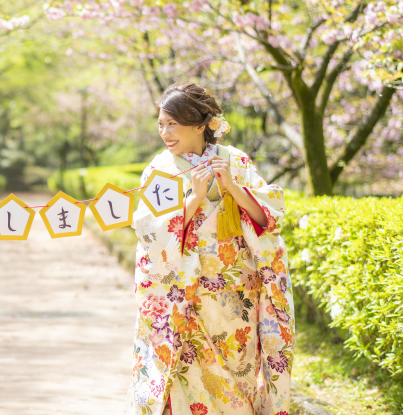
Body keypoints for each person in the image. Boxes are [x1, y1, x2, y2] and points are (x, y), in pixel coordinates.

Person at [124, 82, 293, 415]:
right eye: (160, 123)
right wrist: (194, 197)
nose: (164, 131)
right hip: (184, 295)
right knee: (182, 379)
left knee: (237, 378)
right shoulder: (160, 169)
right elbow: (148, 233)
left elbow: (268, 218)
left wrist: (231, 183)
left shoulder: (236, 161)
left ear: (201, 124)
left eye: (172, 123)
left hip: (235, 297)